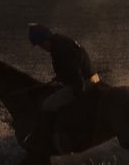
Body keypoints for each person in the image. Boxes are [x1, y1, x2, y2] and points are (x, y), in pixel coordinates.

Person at [25, 23, 98, 152]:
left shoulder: (59, 48)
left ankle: (47, 141)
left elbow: (74, 73)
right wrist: (60, 79)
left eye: (41, 44)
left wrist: (75, 91)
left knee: (48, 104)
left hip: (83, 83)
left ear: (45, 39)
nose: (42, 48)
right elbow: (70, 69)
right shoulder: (61, 42)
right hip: (92, 78)